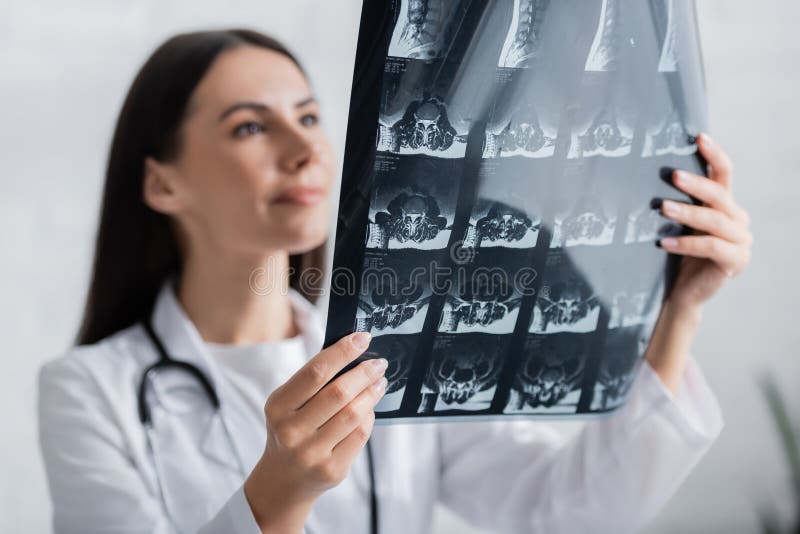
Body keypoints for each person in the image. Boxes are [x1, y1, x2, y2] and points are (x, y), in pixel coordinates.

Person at [37, 28, 753, 534]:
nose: (306, 149)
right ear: (162, 183)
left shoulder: (392, 348)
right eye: (251, 128)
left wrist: (678, 312)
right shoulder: (89, 390)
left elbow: (571, 509)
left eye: (310, 117)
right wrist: (276, 502)